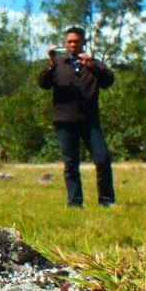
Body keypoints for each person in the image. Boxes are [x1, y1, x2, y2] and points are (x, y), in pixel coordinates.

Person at [37, 26, 116, 208]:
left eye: (76, 41)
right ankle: (75, 203)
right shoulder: (57, 64)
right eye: (69, 42)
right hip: (65, 121)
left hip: (90, 121)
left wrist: (93, 66)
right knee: (71, 164)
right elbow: (43, 83)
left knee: (102, 158)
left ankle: (107, 201)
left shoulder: (93, 64)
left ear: (83, 43)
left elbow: (109, 81)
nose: (73, 45)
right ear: (65, 44)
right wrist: (51, 63)